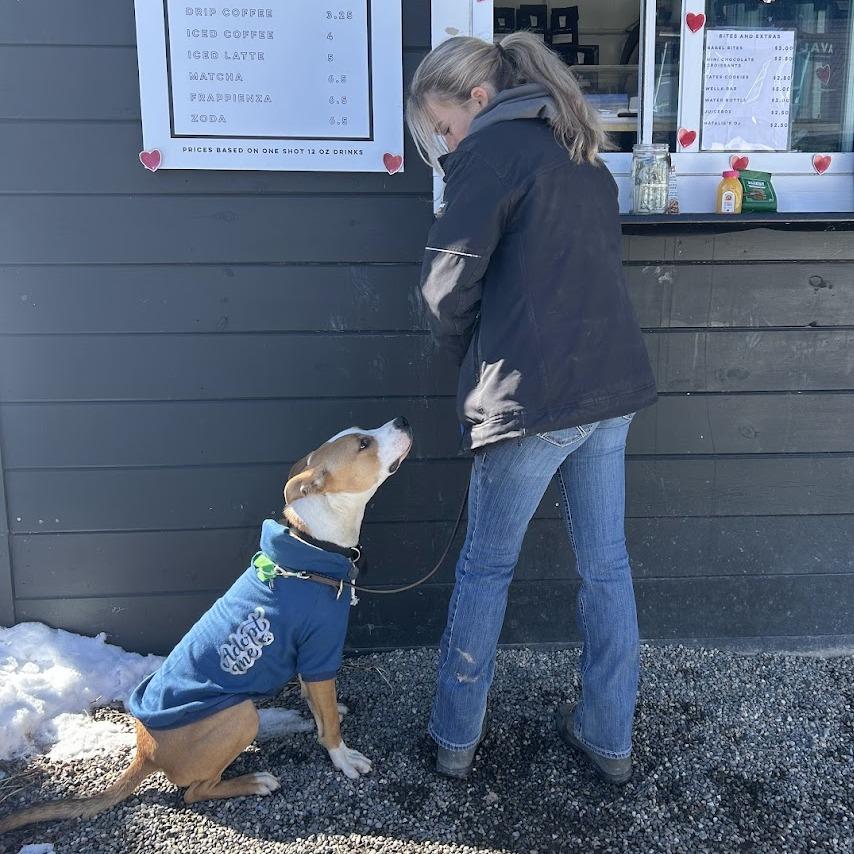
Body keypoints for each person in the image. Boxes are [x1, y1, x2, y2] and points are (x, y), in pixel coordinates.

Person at [406, 32, 657, 785]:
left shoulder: (491, 153)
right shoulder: (578, 150)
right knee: (606, 568)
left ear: (478, 100)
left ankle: (455, 741)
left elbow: (444, 289)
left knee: (485, 570)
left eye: (443, 126)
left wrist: (470, 357)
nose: (446, 142)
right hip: (609, 388)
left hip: (534, 398)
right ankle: (608, 739)